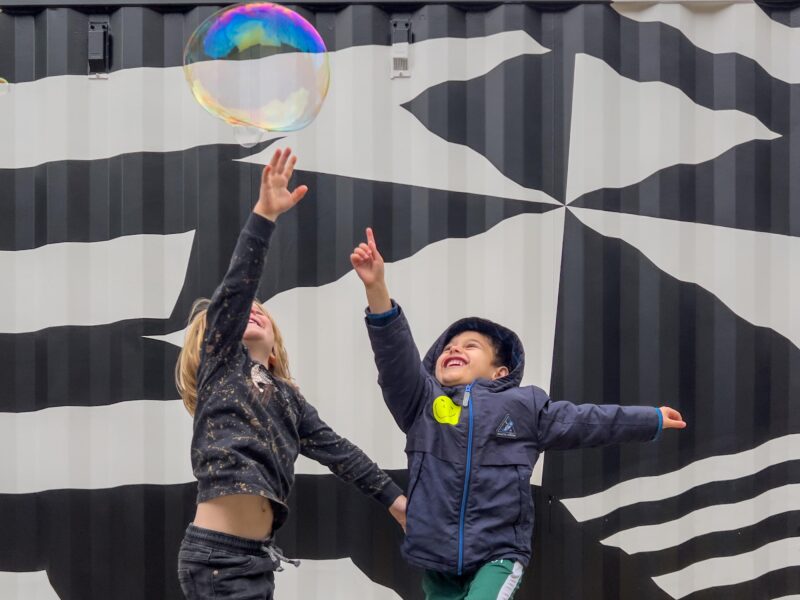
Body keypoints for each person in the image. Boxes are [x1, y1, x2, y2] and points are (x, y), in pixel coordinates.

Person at [350, 227, 686, 599]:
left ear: (500, 372)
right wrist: (376, 289)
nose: (453, 350)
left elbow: (586, 421)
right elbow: (395, 357)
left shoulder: (523, 406)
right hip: (437, 558)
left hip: (499, 554)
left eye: (470, 345)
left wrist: (649, 419)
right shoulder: (421, 403)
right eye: (448, 347)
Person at [175, 149, 406, 600]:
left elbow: (344, 456)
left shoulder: (288, 399)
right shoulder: (221, 367)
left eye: (262, 310)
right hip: (217, 558)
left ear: (276, 341)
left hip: (253, 558)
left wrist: (399, 504)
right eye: (245, 311)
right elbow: (237, 288)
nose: (253, 311)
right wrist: (264, 214)